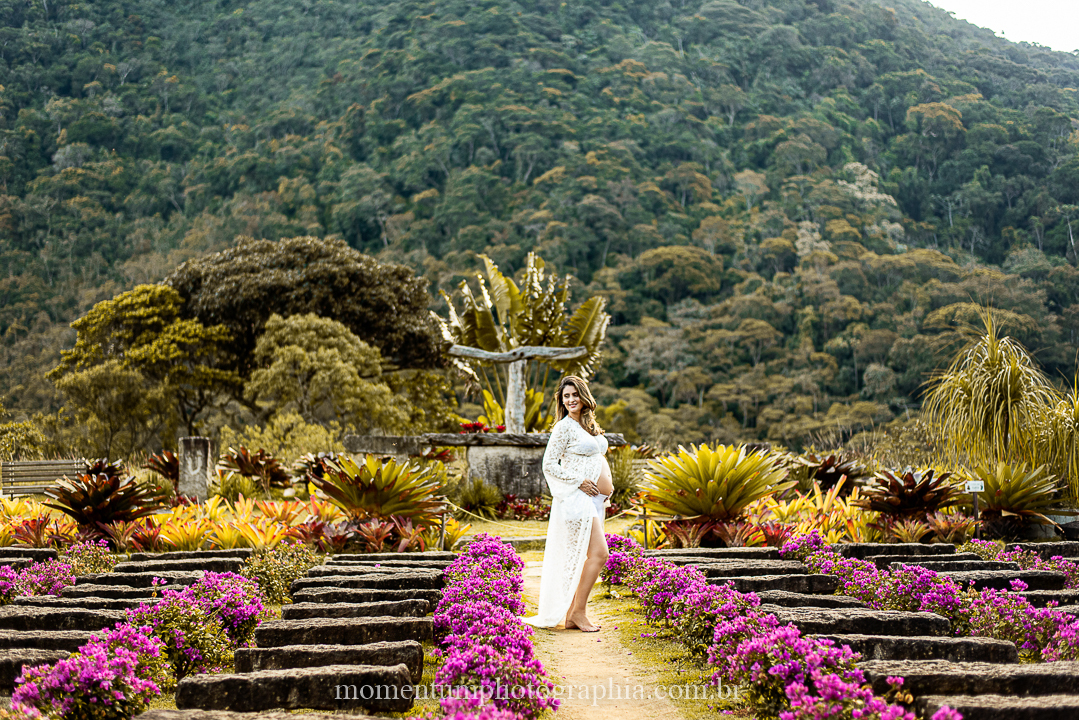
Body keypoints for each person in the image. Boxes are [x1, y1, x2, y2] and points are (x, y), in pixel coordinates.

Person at [523, 375, 613, 632]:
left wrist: (608, 484)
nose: (571, 400)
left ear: (584, 397)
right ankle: (578, 612)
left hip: (594, 499)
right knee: (599, 554)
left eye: (575, 394)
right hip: (576, 498)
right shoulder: (563, 427)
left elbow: (596, 456)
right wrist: (579, 481)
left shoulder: (588, 425)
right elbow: (549, 464)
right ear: (562, 401)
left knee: (585, 556)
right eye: (566, 396)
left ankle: (574, 614)